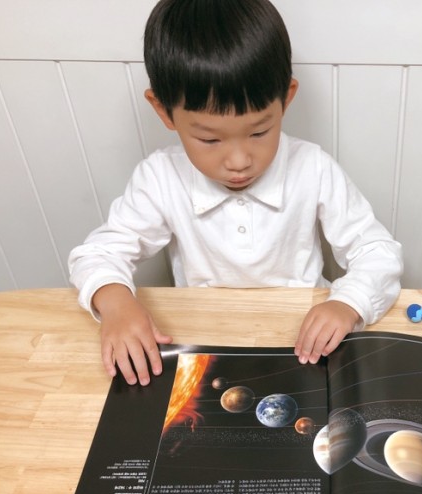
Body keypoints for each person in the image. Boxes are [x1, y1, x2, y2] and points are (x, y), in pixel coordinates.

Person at [68, 0, 403, 386]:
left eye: (260, 131)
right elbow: (97, 254)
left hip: (303, 343)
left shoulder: (313, 167)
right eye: (210, 139)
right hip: (204, 343)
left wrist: (348, 303)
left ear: (286, 99)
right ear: (163, 111)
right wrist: (116, 305)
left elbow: (378, 252)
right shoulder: (160, 177)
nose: (239, 161)